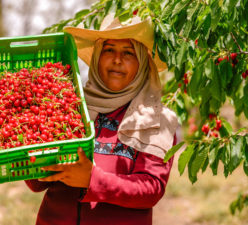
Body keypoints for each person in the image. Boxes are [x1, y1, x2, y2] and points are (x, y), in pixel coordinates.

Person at [25, 13, 179, 225]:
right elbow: (37, 183)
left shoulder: (155, 120)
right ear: (97, 57)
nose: (117, 59)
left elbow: (151, 189)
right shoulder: (70, 106)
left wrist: (93, 180)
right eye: (109, 50)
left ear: (142, 63)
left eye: (128, 53)